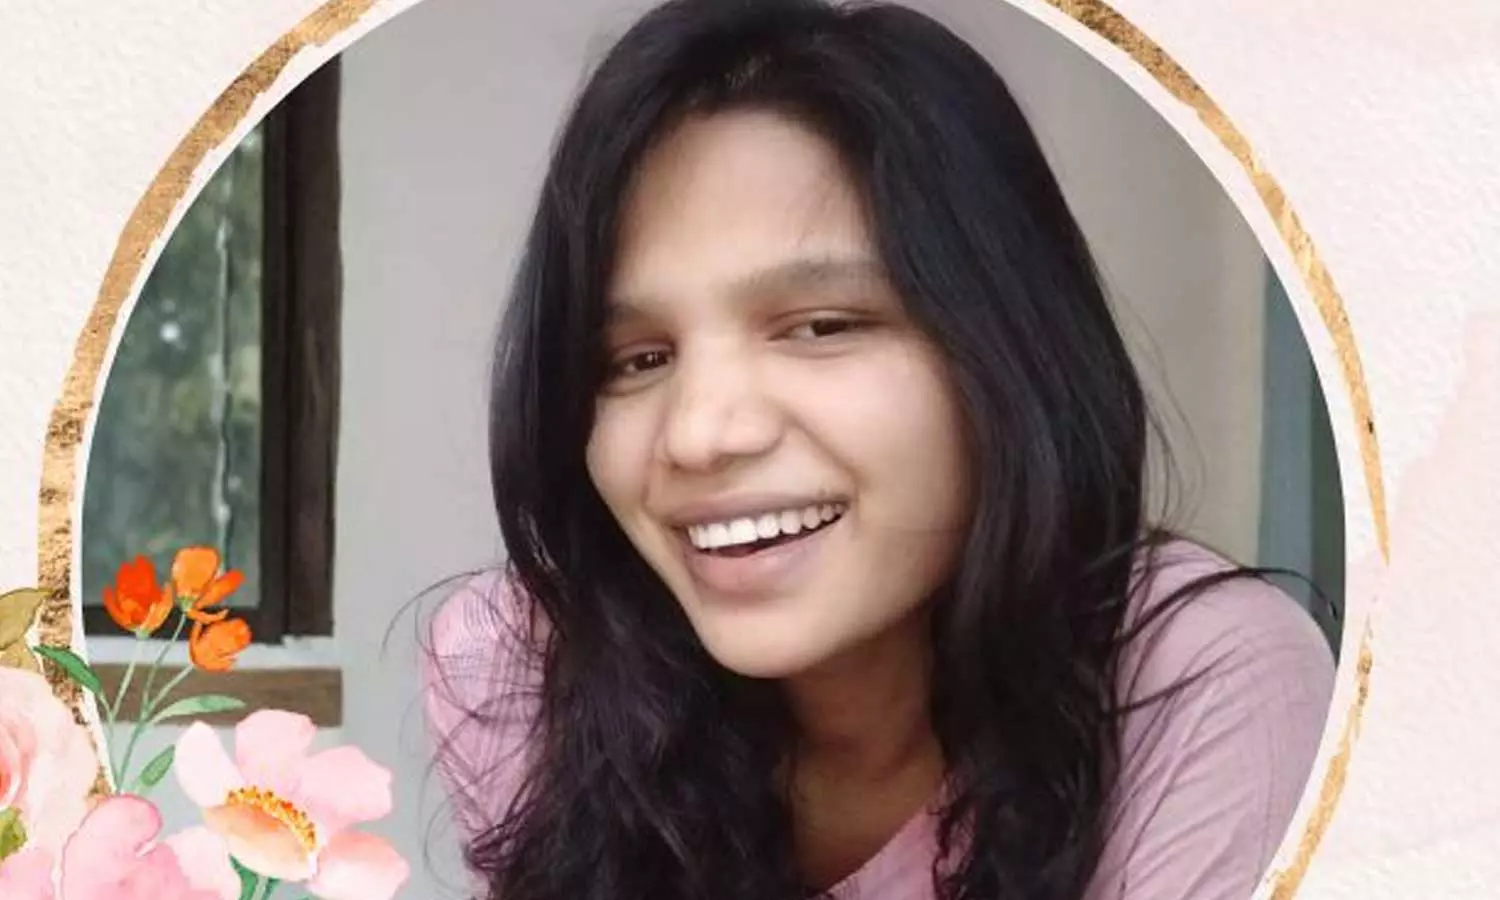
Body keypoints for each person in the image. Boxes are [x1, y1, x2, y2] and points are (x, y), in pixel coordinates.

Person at [422, 1, 1336, 897]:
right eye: (637, 360)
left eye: (822, 326)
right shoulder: (515, 667)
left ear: (1009, 349)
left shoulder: (1196, 681)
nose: (698, 434)